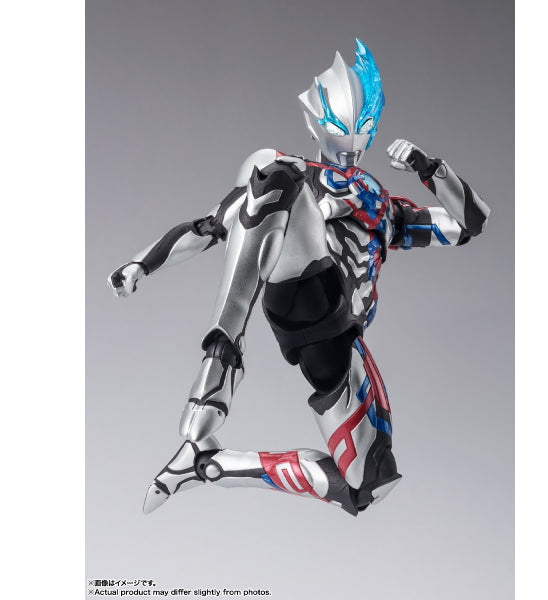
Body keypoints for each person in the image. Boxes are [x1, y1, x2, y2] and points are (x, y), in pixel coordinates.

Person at [108, 39, 490, 516]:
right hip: (299, 283)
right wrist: (141, 263)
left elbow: (469, 224)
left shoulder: (383, 207)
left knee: (367, 484)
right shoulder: (297, 176)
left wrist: (430, 169)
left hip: (339, 336)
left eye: (362, 128)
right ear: (316, 124)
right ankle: (222, 354)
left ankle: (206, 466)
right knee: (272, 172)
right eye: (341, 128)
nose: (351, 141)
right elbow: (208, 228)